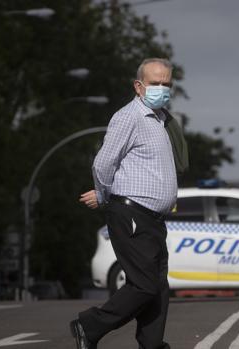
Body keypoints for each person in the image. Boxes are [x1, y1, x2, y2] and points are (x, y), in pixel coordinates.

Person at [71, 58, 178, 349]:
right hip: (132, 214)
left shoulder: (160, 119)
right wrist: (105, 194)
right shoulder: (129, 117)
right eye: (155, 83)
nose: (162, 88)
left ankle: (152, 345)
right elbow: (103, 163)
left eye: (167, 83)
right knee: (143, 285)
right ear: (138, 86)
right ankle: (89, 325)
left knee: (157, 289)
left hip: (153, 219)